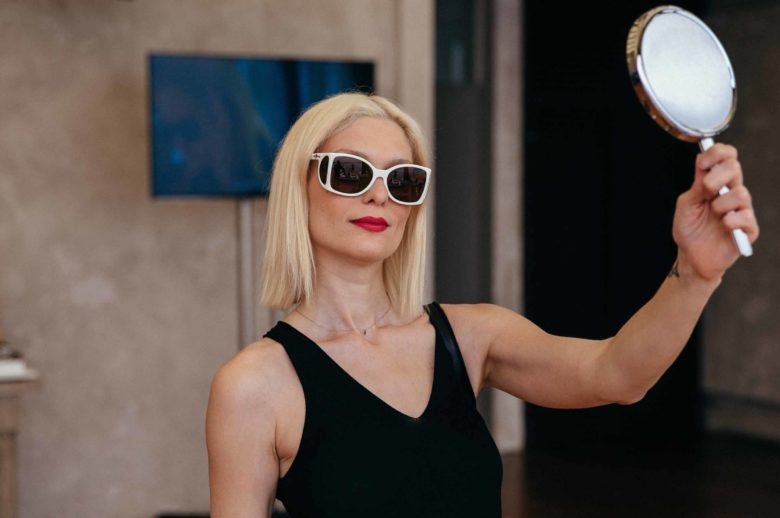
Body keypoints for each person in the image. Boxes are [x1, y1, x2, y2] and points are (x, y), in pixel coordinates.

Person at [205, 92, 759, 517]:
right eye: (350, 173)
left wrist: (695, 275)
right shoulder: (255, 385)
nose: (379, 194)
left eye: (403, 180)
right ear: (299, 187)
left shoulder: (471, 337)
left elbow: (617, 374)